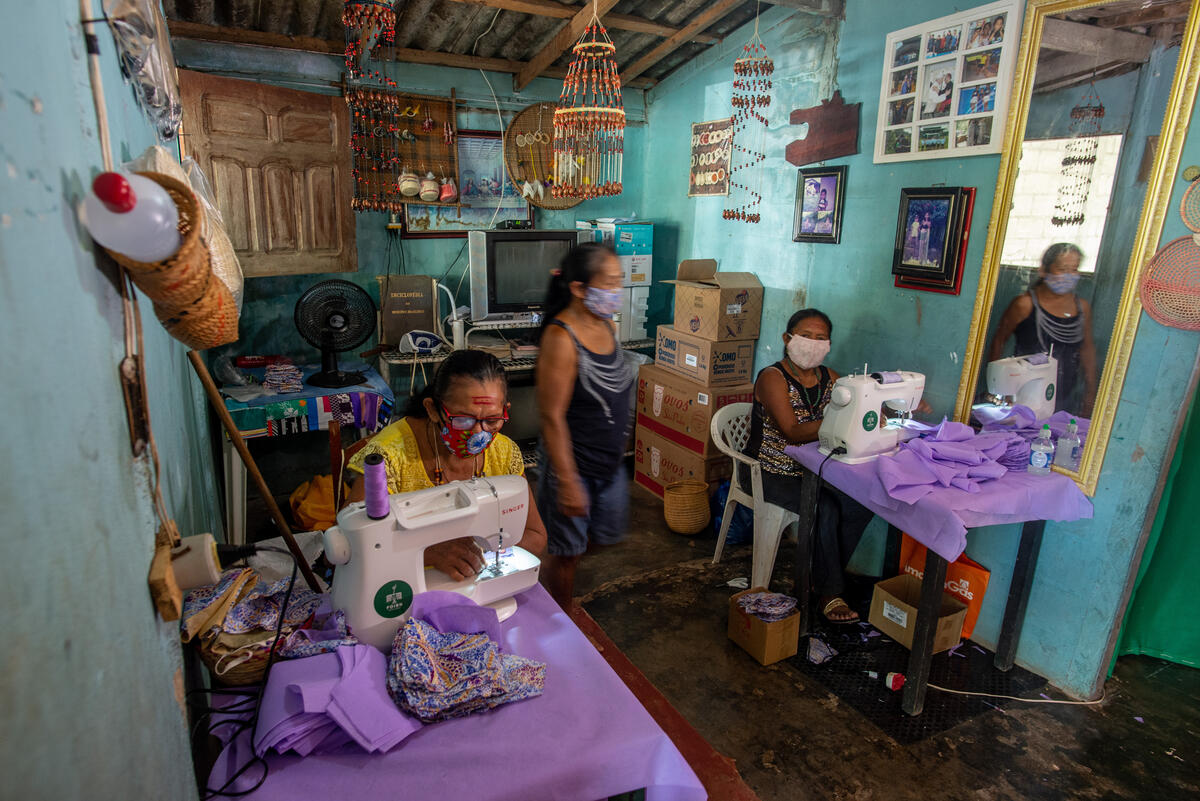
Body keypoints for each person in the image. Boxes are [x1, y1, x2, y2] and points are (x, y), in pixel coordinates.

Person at [346, 349, 547, 580]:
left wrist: (478, 548)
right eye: (462, 419)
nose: (478, 434)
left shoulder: (504, 453)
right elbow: (353, 546)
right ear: (432, 409)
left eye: (491, 420)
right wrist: (428, 552)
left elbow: (535, 536)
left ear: (504, 411)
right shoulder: (389, 458)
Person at [743, 310, 875, 624]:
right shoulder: (772, 377)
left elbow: (859, 406)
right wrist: (845, 421)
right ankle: (829, 593)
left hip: (812, 471)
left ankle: (822, 576)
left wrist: (874, 413)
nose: (812, 344)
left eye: (821, 338)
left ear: (829, 344)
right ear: (788, 339)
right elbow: (792, 431)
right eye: (805, 336)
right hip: (768, 471)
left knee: (861, 502)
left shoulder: (830, 378)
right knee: (825, 507)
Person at [536, 242, 634, 611]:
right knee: (567, 555)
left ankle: (548, 587)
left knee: (600, 537)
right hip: (572, 465)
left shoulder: (607, 325)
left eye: (618, 281)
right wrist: (568, 480)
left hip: (608, 462)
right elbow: (551, 416)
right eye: (607, 283)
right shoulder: (561, 339)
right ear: (578, 288)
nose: (616, 291)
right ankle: (558, 621)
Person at [988, 243, 1097, 417]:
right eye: (1062, 269)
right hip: (1025, 391)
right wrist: (998, 387)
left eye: (1074, 269)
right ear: (1044, 270)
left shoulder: (1082, 308)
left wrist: (1091, 392)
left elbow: (1087, 349)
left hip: (1066, 394)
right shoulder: (1024, 305)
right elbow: (999, 340)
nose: (1069, 275)